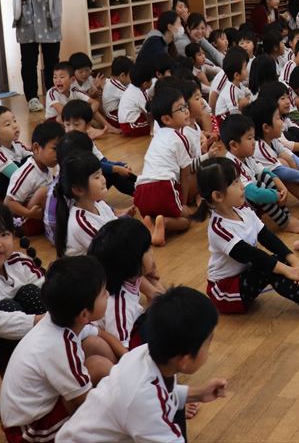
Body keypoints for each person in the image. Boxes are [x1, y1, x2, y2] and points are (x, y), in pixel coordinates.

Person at [56, 286, 228, 442]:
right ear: (184, 360)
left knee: (175, 410)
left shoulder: (145, 354)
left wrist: (198, 393)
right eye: (208, 343)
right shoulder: (145, 401)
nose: (209, 348)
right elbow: (150, 400)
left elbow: (161, 394)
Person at [194, 158, 299, 320]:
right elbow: (253, 255)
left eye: (239, 179)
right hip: (225, 292)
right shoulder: (218, 228)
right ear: (218, 196)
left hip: (243, 277)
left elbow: (267, 237)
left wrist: (293, 262)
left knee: (281, 260)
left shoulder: (243, 210)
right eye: (234, 182)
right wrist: (288, 270)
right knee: (271, 266)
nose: (242, 185)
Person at [0, 256, 117, 442]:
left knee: (96, 348)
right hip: (29, 431)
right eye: (103, 293)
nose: (108, 294)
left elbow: (98, 333)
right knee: (99, 370)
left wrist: (124, 358)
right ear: (84, 314)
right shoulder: (60, 346)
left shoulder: (57, 321)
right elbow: (84, 399)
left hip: (32, 415)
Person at [1, 0, 71, 113]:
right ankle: (32, 98)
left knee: (52, 61)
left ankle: (52, 96)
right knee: (28, 62)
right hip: (25, 19)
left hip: (49, 18)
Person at [133, 87, 196, 246]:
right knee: (187, 219)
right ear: (167, 119)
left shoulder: (157, 136)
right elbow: (186, 173)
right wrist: (183, 203)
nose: (186, 110)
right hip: (163, 188)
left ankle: (151, 221)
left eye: (185, 105)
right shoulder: (180, 138)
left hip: (141, 192)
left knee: (159, 209)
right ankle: (165, 222)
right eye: (181, 108)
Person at [86, 217, 161, 348]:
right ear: (131, 263)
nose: (152, 251)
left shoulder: (127, 279)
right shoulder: (120, 306)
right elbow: (122, 350)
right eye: (147, 249)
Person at [0, 201, 45, 375]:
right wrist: (39, 321)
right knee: (7, 307)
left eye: (4, 234)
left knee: (30, 292)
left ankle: (51, 353)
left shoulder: (20, 262)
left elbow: (46, 291)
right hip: (3, 352)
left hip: (38, 337)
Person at [53, 151, 117, 258]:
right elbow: (111, 251)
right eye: (97, 177)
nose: (103, 180)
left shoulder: (99, 204)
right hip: (93, 265)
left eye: (101, 174)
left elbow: (117, 226)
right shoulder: (81, 223)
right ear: (78, 189)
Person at [6, 121, 62, 236]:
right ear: (36, 148)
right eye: (55, 149)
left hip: (38, 215)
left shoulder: (47, 165)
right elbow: (8, 203)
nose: (59, 154)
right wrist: (29, 213)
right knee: (44, 191)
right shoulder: (27, 173)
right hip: (23, 222)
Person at [0, 107, 30, 202]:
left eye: (14, 121)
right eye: (8, 124)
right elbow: (16, 174)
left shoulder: (16, 144)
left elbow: (33, 158)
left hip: (12, 180)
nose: (15, 126)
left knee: (30, 160)